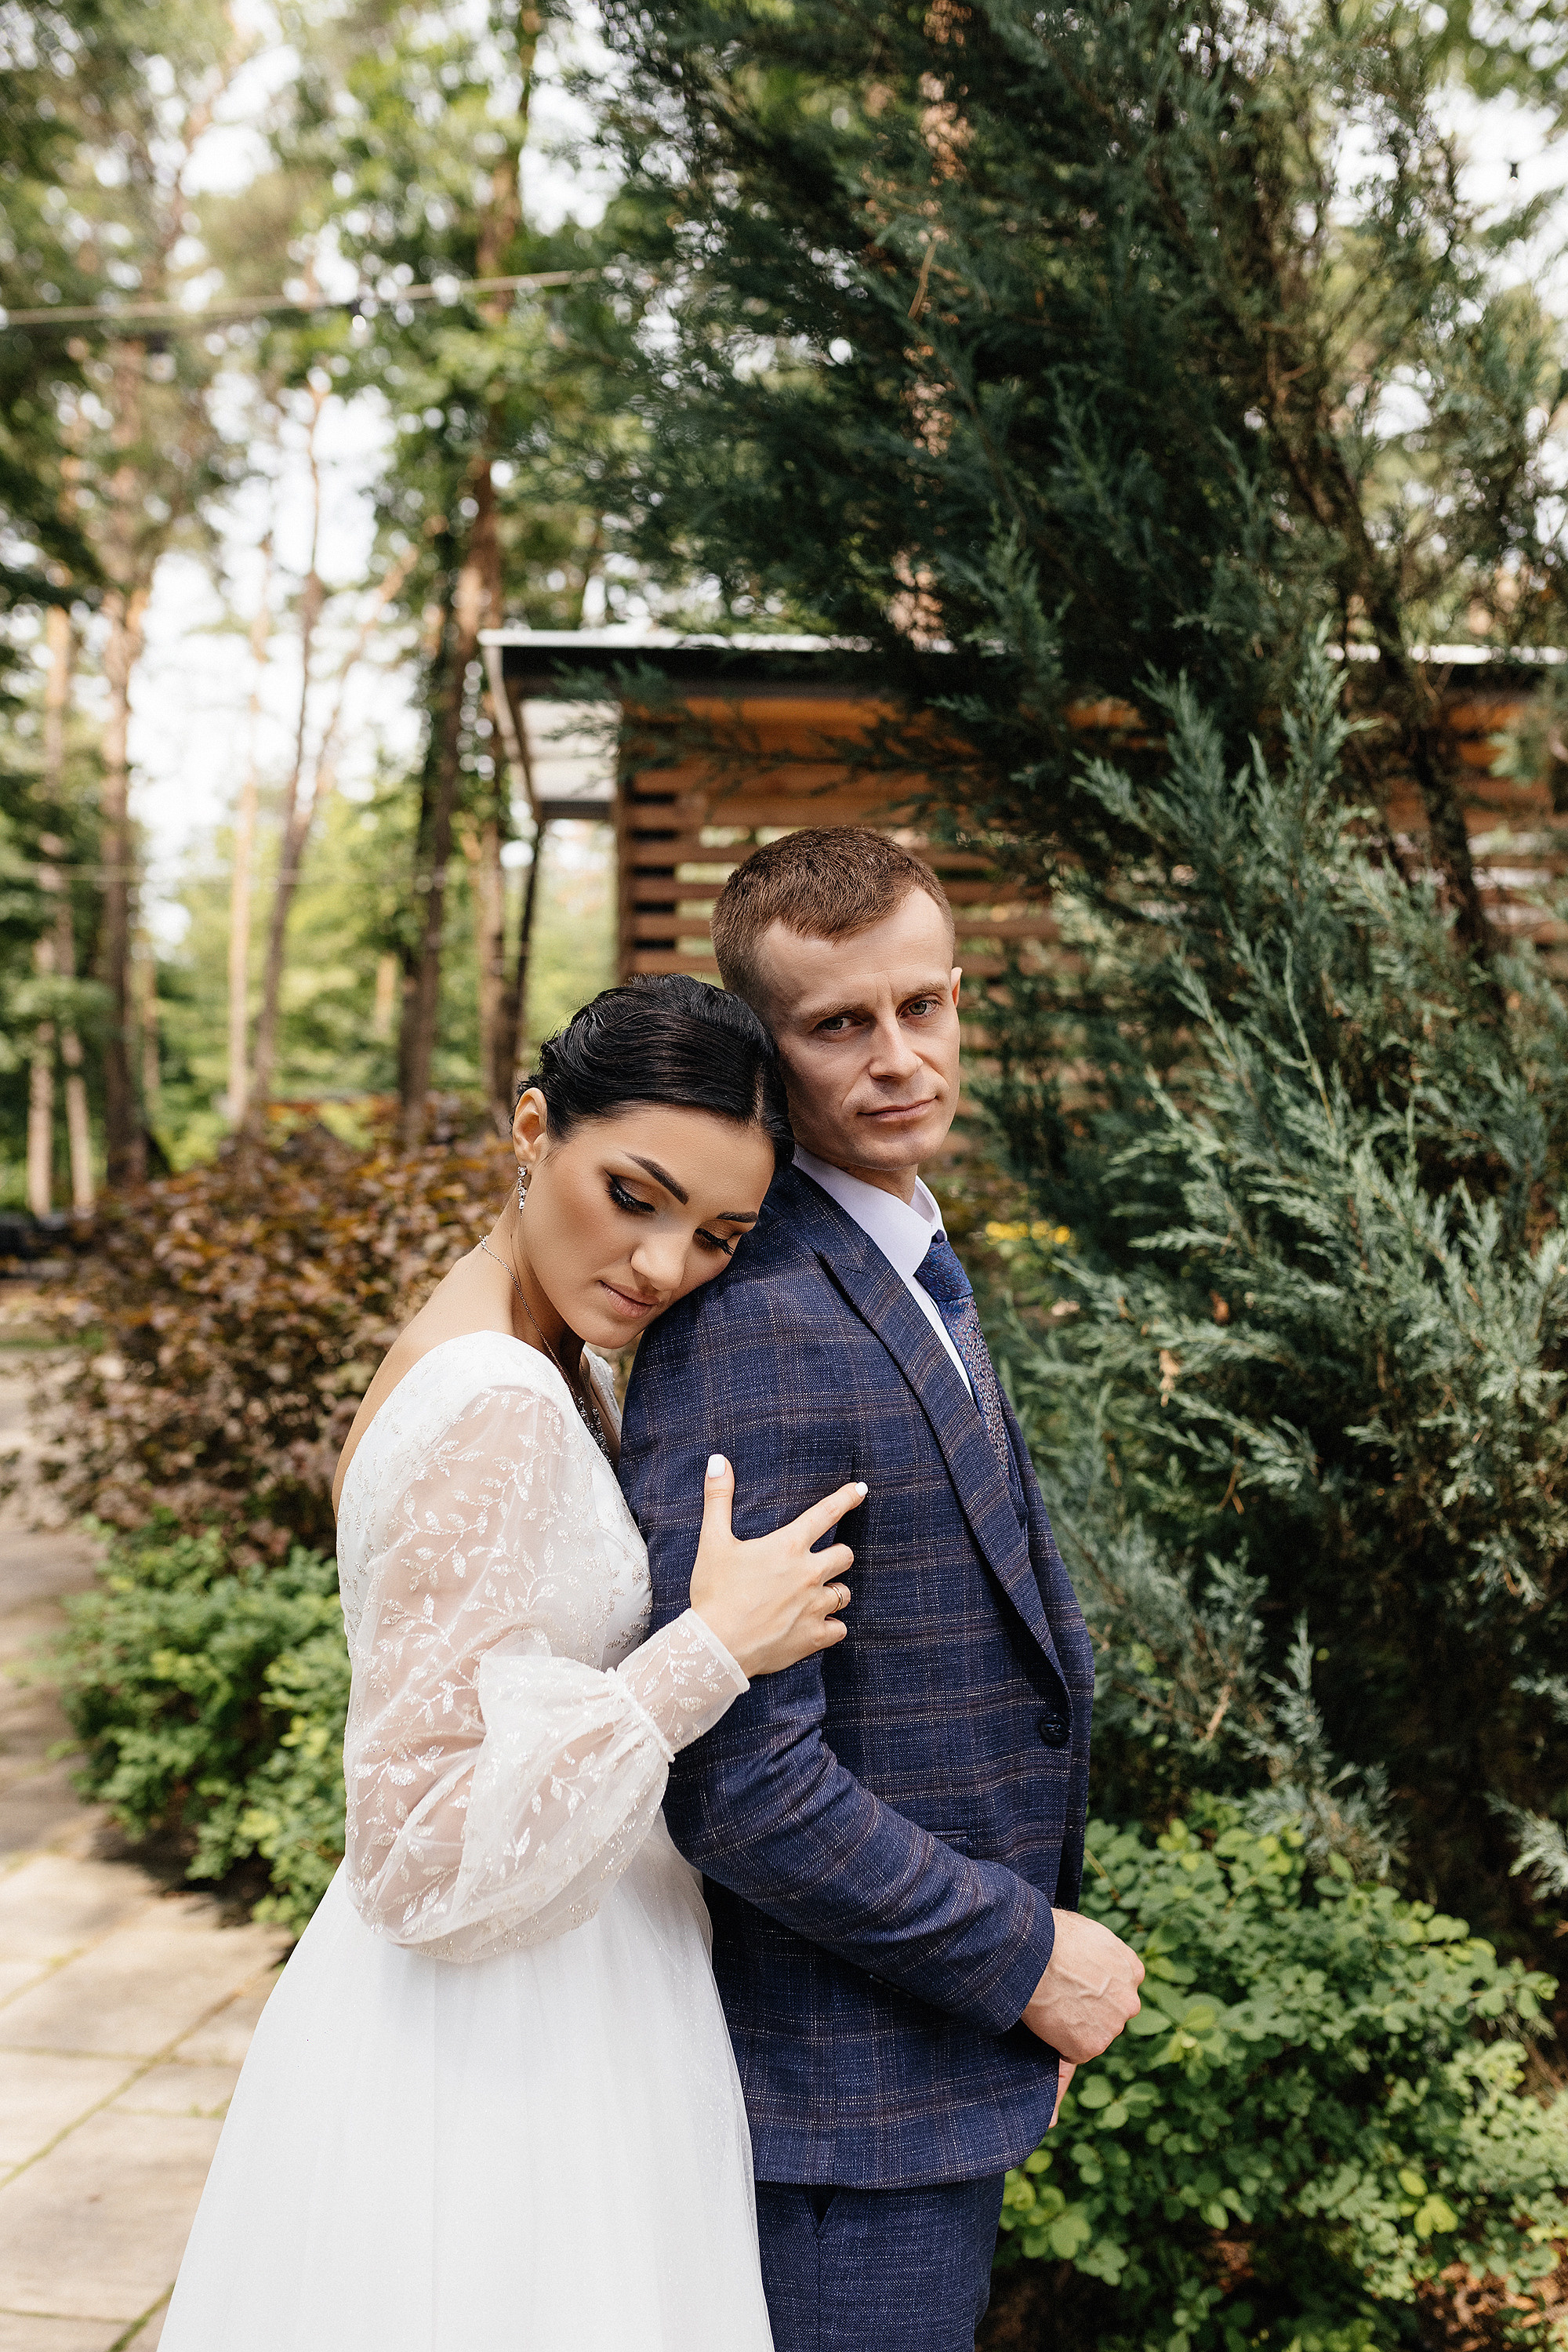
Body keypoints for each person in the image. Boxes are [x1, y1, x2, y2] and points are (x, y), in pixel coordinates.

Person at [160, 976, 868, 2352]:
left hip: (560, 1976)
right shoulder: (494, 1398)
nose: (664, 1265)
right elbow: (414, 1848)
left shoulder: (525, 1350)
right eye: (636, 1194)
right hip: (509, 2044)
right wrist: (706, 1654)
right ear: (533, 1128)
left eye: (718, 1235)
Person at [621, 829, 1145, 2352]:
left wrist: (1006, 1980)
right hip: (832, 2119)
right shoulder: (761, 1324)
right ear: (763, 1058)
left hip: (927, 2063)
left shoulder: (905, 1253)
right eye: (841, 1024)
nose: (900, 1056)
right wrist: (1020, 1955)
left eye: (926, 1005)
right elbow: (739, 1780)